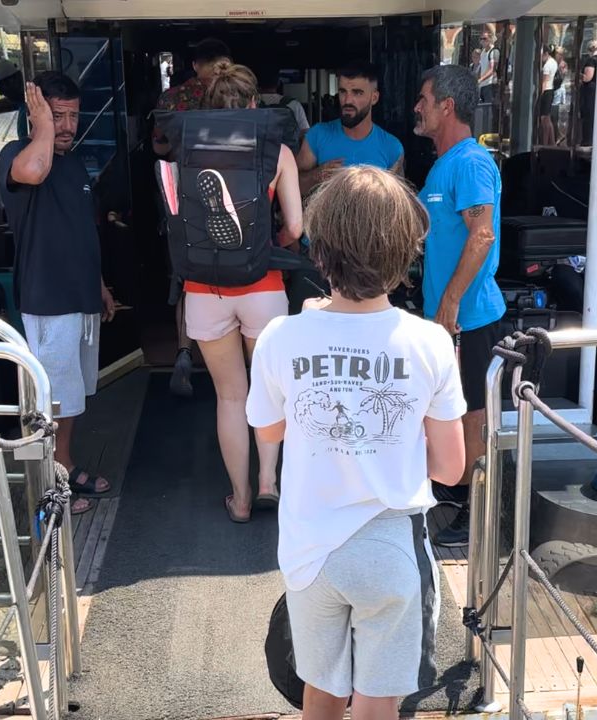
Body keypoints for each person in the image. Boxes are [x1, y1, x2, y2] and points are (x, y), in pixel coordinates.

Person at [246, 165, 466, 719]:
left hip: (309, 550)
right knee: (377, 701)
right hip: (391, 548)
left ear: (320, 250)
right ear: (407, 253)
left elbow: (269, 431)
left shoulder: (281, 337)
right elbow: (449, 468)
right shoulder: (430, 343)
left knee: (320, 691)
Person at [178, 61, 302, 523]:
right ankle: (269, 481)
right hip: (262, 283)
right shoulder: (278, 152)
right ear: (255, 105)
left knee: (230, 395)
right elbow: (294, 226)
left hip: (204, 287)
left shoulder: (188, 150)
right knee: (269, 390)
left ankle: (241, 498)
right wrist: (272, 245)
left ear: (208, 106)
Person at [0, 72, 117, 515]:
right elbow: (33, 170)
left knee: (72, 395)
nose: (67, 125)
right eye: (56, 115)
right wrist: (41, 125)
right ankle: (47, 485)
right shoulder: (18, 155)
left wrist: (100, 286)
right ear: (36, 114)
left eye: (72, 115)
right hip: (48, 299)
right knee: (48, 399)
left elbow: (82, 231)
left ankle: (63, 464)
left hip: (80, 297)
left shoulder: (73, 163)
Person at [413, 65, 504, 548]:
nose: (417, 107)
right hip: (444, 318)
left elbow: (482, 234)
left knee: (471, 413)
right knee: (449, 407)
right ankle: (452, 494)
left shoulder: (470, 162)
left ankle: (473, 516)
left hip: (468, 317)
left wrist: (450, 301)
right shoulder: (444, 162)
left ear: (446, 105)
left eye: (423, 99)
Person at [153, 37, 232, 399]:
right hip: (232, 193)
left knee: (187, 274)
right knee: (233, 267)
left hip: (185, 194)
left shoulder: (173, 99)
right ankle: (234, 363)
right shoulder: (235, 93)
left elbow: (158, 146)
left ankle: (185, 350)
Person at [296, 60, 403, 197]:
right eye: (342, 92)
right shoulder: (317, 135)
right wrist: (317, 176)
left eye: (357, 93)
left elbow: (399, 205)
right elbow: (291, 187)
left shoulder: (392, 148)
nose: (347, 100)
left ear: (374, 98)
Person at [256, 65, 310, 140]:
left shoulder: (252, 103)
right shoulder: (294, 104)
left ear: (257, 83)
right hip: (289, 149)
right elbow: (305, 132)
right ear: (278, 83)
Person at [537, 44, 558, 147]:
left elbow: (544, 82)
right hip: (551, 90)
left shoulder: (547, 65)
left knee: (544, 119)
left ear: (546, 53)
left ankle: (545, 142)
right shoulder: (554, 62)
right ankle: (552, 141)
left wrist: (540, 94)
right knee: (548, 118)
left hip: (546, 91)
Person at [579, 40, 597, 146]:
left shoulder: (591, 61)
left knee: (588, 115)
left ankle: (587, 140)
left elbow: (587, 77)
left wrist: (579, 75)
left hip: (590, 91)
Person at [477, 29, 500, 104]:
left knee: (488, 108)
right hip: (482, 85)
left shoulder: (494, 51)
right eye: (481, 39)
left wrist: (480, 79)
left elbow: (492, 69)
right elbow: (481, 67)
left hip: (490, 85)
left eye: (485, 39)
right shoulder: (483, 52)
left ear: (490, 39)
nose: (482, 41)